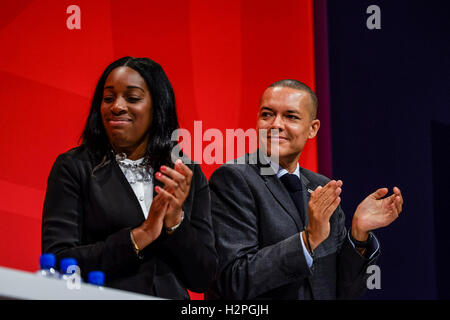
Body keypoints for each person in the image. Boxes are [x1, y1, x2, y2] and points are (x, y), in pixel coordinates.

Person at [206, 79, 403, 300]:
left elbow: (344, 291)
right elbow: (232, 281)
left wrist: (358, 234)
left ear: (313, 128)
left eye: (291, 116)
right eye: (267, 114)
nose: (276, 124)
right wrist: (307, 241)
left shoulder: (321, 186)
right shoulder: (234, 178)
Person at [41, 57, 217, 299]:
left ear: (157, 107)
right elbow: (59, 262)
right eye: (109, 98)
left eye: (132, 98)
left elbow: (203, 278)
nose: (117, 107)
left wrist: (176, 222)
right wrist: (141, 235)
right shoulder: (74, 167)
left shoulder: (184, 172)